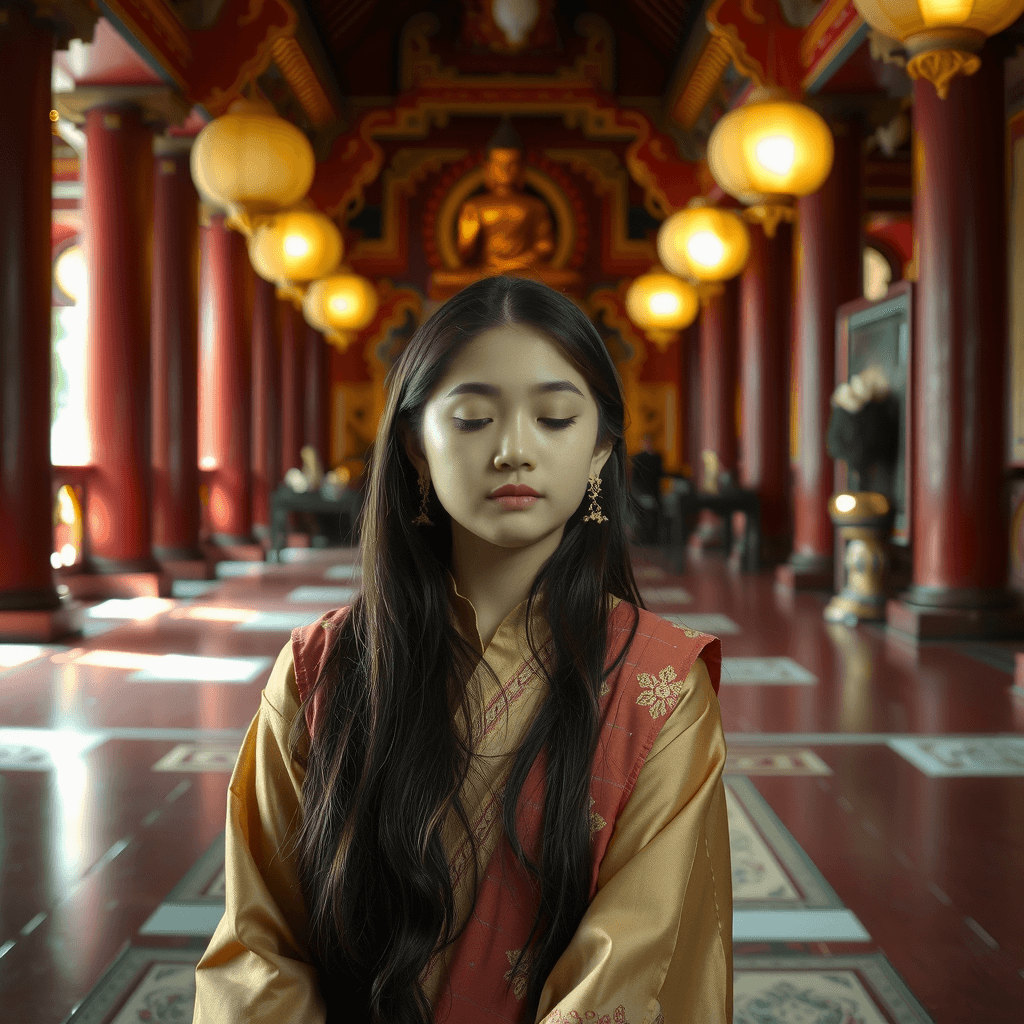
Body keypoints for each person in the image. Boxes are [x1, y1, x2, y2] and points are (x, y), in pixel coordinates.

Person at [193, 276, 732, 1024]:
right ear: (415, 448)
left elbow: (635, 978)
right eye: (475, 418)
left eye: (553, 417)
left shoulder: (659, 689)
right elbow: (260, 948)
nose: (514, 449)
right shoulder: (322, 669)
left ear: (601, 450)